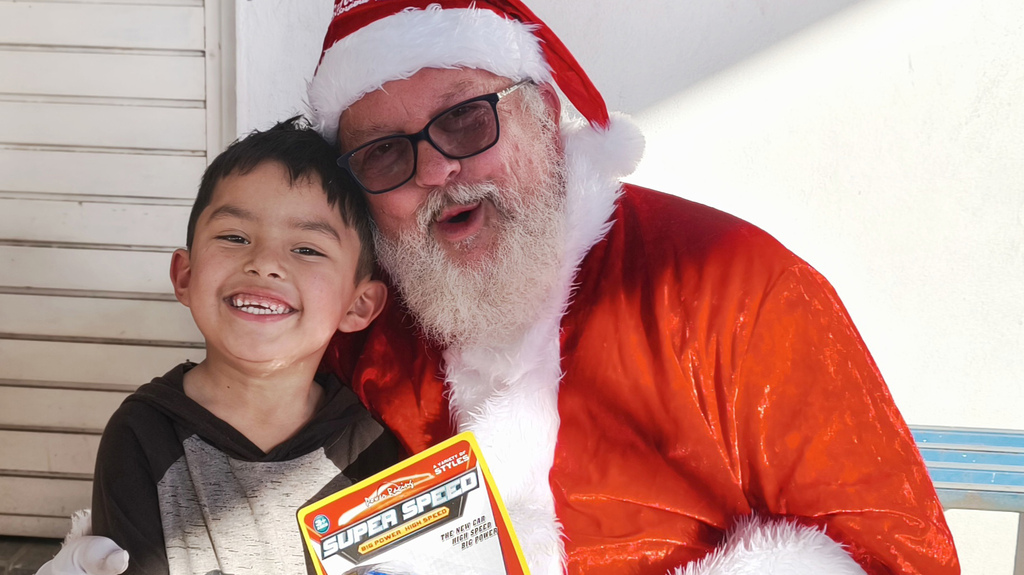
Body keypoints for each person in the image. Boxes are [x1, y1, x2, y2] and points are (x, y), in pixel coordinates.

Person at [40, 2, 960, 574]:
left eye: (467, 121)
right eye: (386, 154)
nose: (438, 170)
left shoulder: (733, 284)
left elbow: (901, 554)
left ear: (544, 117)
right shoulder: (362, 319)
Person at [67, 119, 400, 575]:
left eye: (307, 249)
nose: (263, 263)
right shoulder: (140, 436)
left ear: (359, 305)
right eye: (234, 237)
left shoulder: (372, 445)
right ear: (185, 276)